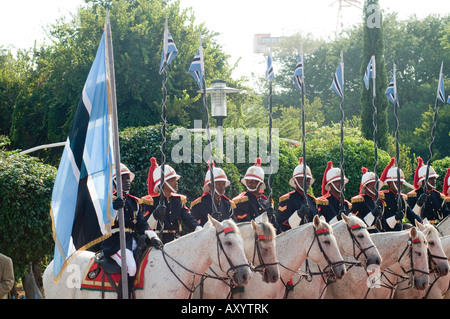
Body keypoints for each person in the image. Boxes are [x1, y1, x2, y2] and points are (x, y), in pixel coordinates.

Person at [101, 163, 161, 280]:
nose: (127, 181)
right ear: (114, 182)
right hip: (115, 243)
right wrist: (114, 209)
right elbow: (105, 222)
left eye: (128, 178)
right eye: (122, 178)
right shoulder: (108, 200)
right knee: (131, 267)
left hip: (132, 241)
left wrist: (153, 236)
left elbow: (142, 224)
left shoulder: (134, 202)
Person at [140, 158, 200, 244]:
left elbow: (188, 218)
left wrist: (199, 228)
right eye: (172, 180)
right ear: (163, 183)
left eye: (176, 180)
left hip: (174, 239)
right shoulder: (152, 201)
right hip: (157, 240)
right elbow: (146, 225)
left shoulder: (177, 200)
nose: (176, 183)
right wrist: (155, 214)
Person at [378, 158, 422, 231]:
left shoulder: (401, 198)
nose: (400, 185)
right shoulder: (383, 197)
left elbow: (411, 215)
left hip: (399, 231)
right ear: (389, 183)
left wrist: (422, 224)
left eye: (401, 183)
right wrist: (395, 218)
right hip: (386, 232)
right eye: (397, 183)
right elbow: (381, 221)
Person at [276, 158, 318, 232]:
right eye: (302, 180)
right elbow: (281, 225)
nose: (305, 183)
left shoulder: (312, 201)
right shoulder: (287, 200)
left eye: (307, 180)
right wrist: (298, 214)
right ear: (295, 182)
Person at [407, 157, 449, 224]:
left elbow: (446, 215)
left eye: (434, 179)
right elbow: (411, 216)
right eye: (431, 179)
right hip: (422, 228)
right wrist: (418, 203)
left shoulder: (439, 196)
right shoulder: (413, 195)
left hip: (436, 227)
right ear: (424, 181)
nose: (434, 181)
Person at [232, 158, 271, 223]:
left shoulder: (266, 202)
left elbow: (275, 227)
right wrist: (264, 216)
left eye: (253, 181)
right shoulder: (241, 201)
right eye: (248, 181)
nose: (250, 183)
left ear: (260, 183)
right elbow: (244, 224)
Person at [350, 167, 384, 233]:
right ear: (365, 187)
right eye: (371, 184)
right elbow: (357, 223)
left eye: (376, 183)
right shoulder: (359, 202)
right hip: (366, 235)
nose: (375, 186)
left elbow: (383, 223)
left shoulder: (380, 202)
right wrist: (372, 214)